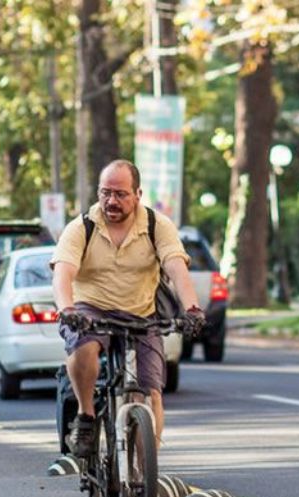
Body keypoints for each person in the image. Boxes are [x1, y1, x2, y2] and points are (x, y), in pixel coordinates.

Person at [51, 159, 205, 472]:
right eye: (105, 193)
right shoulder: (81, 227)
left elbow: (176, 267)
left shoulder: (156, 225)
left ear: (137, 194)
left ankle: (145, 475)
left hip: (141, 313)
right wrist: (67, 309)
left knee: (150, 393)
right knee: (84, 349)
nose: (111, 201)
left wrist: (192, 308)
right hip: (90, 308)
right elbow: (63, 274)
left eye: (120, 194)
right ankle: (85, 415)